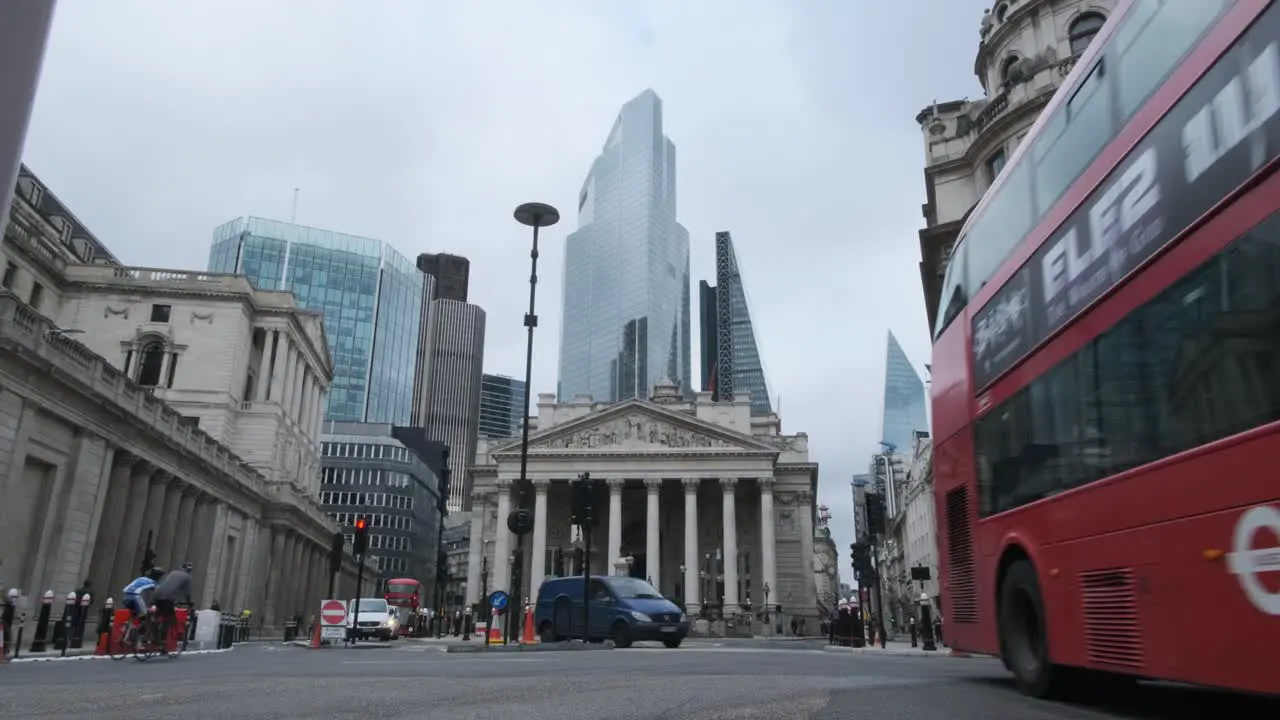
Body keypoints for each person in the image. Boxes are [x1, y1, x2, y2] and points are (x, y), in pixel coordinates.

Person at [153, 561, 194, 629]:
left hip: (157, 594)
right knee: (171, 618)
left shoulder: (172, 572)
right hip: (168, 597)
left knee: (158, 613)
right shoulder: (187, 577)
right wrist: (190, 603)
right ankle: (166, 635)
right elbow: (188, 593)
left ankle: (150, 631)